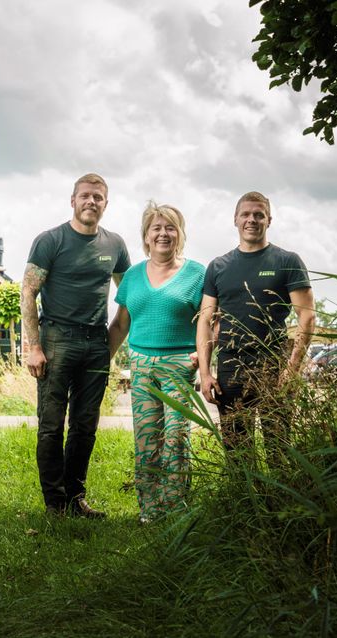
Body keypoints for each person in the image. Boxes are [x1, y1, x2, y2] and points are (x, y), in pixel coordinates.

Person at [22, 173, 131, 518]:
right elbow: (28, 292)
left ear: (106, 204)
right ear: (73, 200)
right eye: (85, 196)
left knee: (86, 425)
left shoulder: (114, 245)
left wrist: (109, 347)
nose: (91, 202)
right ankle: (54, 503)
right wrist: (34, 346)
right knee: (51, 424)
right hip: (56, 339)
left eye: (98, 197)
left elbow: (128, 297)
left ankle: (75, 499)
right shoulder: (50, 240)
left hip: (96, 341)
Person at [196, 191, 315, 461]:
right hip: (231, 366)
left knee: (279, 449)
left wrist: (292, 370)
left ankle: (281, 503)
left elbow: (306, 317)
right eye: (246, 214)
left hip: (273, 364)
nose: (252, 219)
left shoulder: (287, 261)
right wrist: (205, 374)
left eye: (259, 215)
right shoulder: (218, 266)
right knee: (238, 453)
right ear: (235, 220)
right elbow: (205, 320)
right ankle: (242, 502)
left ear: (269, 220)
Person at [108, 202, 205, 523]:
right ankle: (150, 510)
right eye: (157, 228)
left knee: (176, 439)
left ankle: (176, 509)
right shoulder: (133, 276)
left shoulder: (197, 274)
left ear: (180, 234)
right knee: (147, 438)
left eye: (170, 227)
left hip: (180, 363)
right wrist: (103, 363)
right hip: (141, 363)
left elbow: (212, 320)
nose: (163, 234)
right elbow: (121, 324)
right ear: (146, 236)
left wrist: (203, 355)